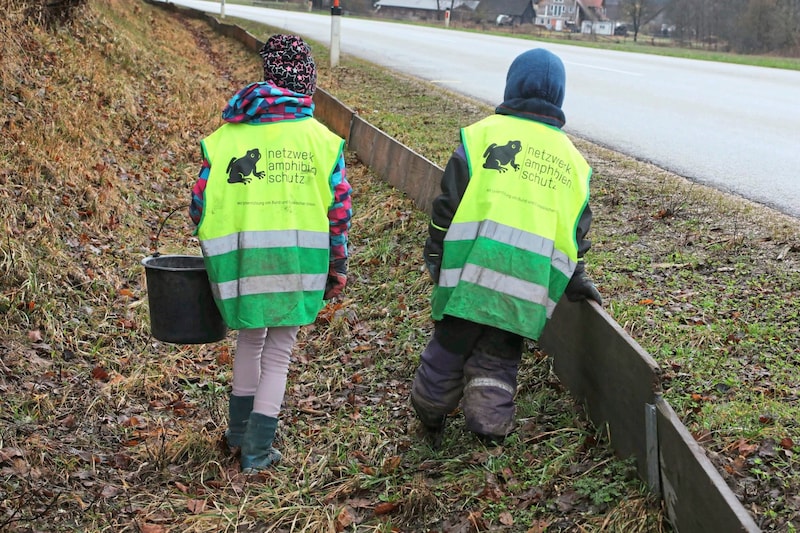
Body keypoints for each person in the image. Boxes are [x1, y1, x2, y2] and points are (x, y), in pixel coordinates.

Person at [410, 48, 601, 445]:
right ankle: (488, 427)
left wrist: (435, 249)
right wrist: (575, 277)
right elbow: (575, 231)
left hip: (470, 271)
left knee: (450, 343)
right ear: (560, 99)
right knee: (499, 355)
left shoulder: (480, 137)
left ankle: (430, 410)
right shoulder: (574, 164)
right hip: (525, 283)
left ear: (512, 86)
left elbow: (449, 203)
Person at [189, 34, 352, 473]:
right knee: (279, 352)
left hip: (240, 262)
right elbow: (339, 212)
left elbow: (200, 201)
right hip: (298, 263)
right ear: (307, 84)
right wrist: (337, 267)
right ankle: (257, 452)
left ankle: (238, 435)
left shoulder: (226, 136)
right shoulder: (322, 140)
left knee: (249, 339)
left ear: (268, 79)